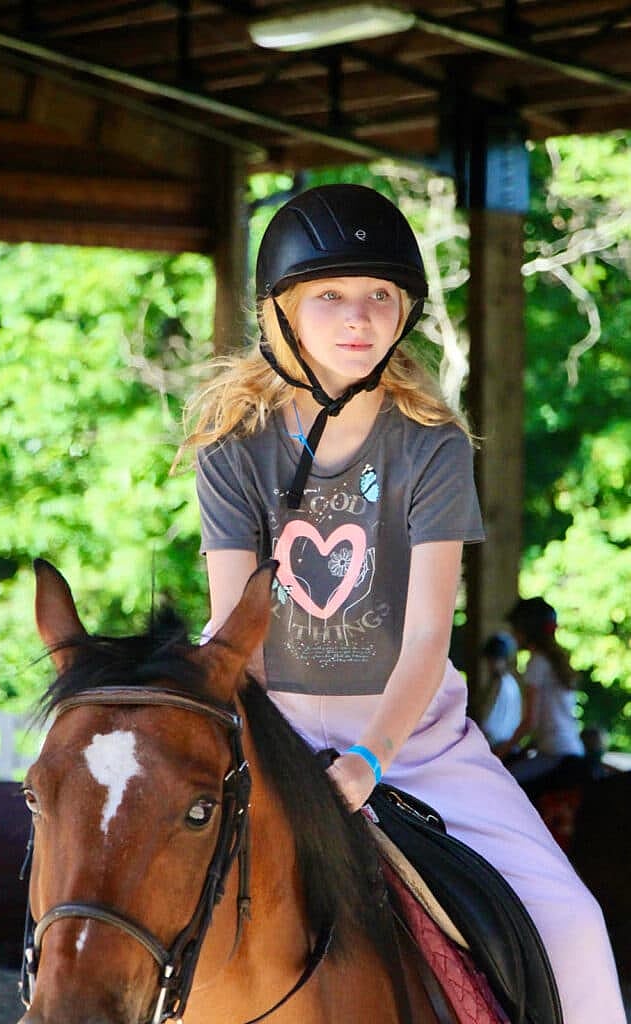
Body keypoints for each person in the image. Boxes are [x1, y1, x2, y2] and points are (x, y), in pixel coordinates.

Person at [181, 184, 624, 1023]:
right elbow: (234, 627)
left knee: (572, 921)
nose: (360, 317)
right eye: (332, 296)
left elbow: (427, 636)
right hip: (266, 731)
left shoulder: (431, 445)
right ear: (282, 312)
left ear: (404, 312)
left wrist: (369, 761)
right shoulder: (233, 449)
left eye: (380, 297)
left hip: (412, 740)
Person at [498, 597, 585, 784]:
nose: (513, 635)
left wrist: (499, 753)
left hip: (554, 754)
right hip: (572, 750)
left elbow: (530, 721)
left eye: (516, 630)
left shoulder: (536, 662)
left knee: (504, 784)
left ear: (527, 631)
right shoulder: (554, 662)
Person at [476, 631, 522, 748]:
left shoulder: (501, 683)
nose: (490, 665)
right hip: (505, 742)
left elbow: (489, 720)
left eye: (494, 659)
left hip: (498, 744)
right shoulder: (510, 682)